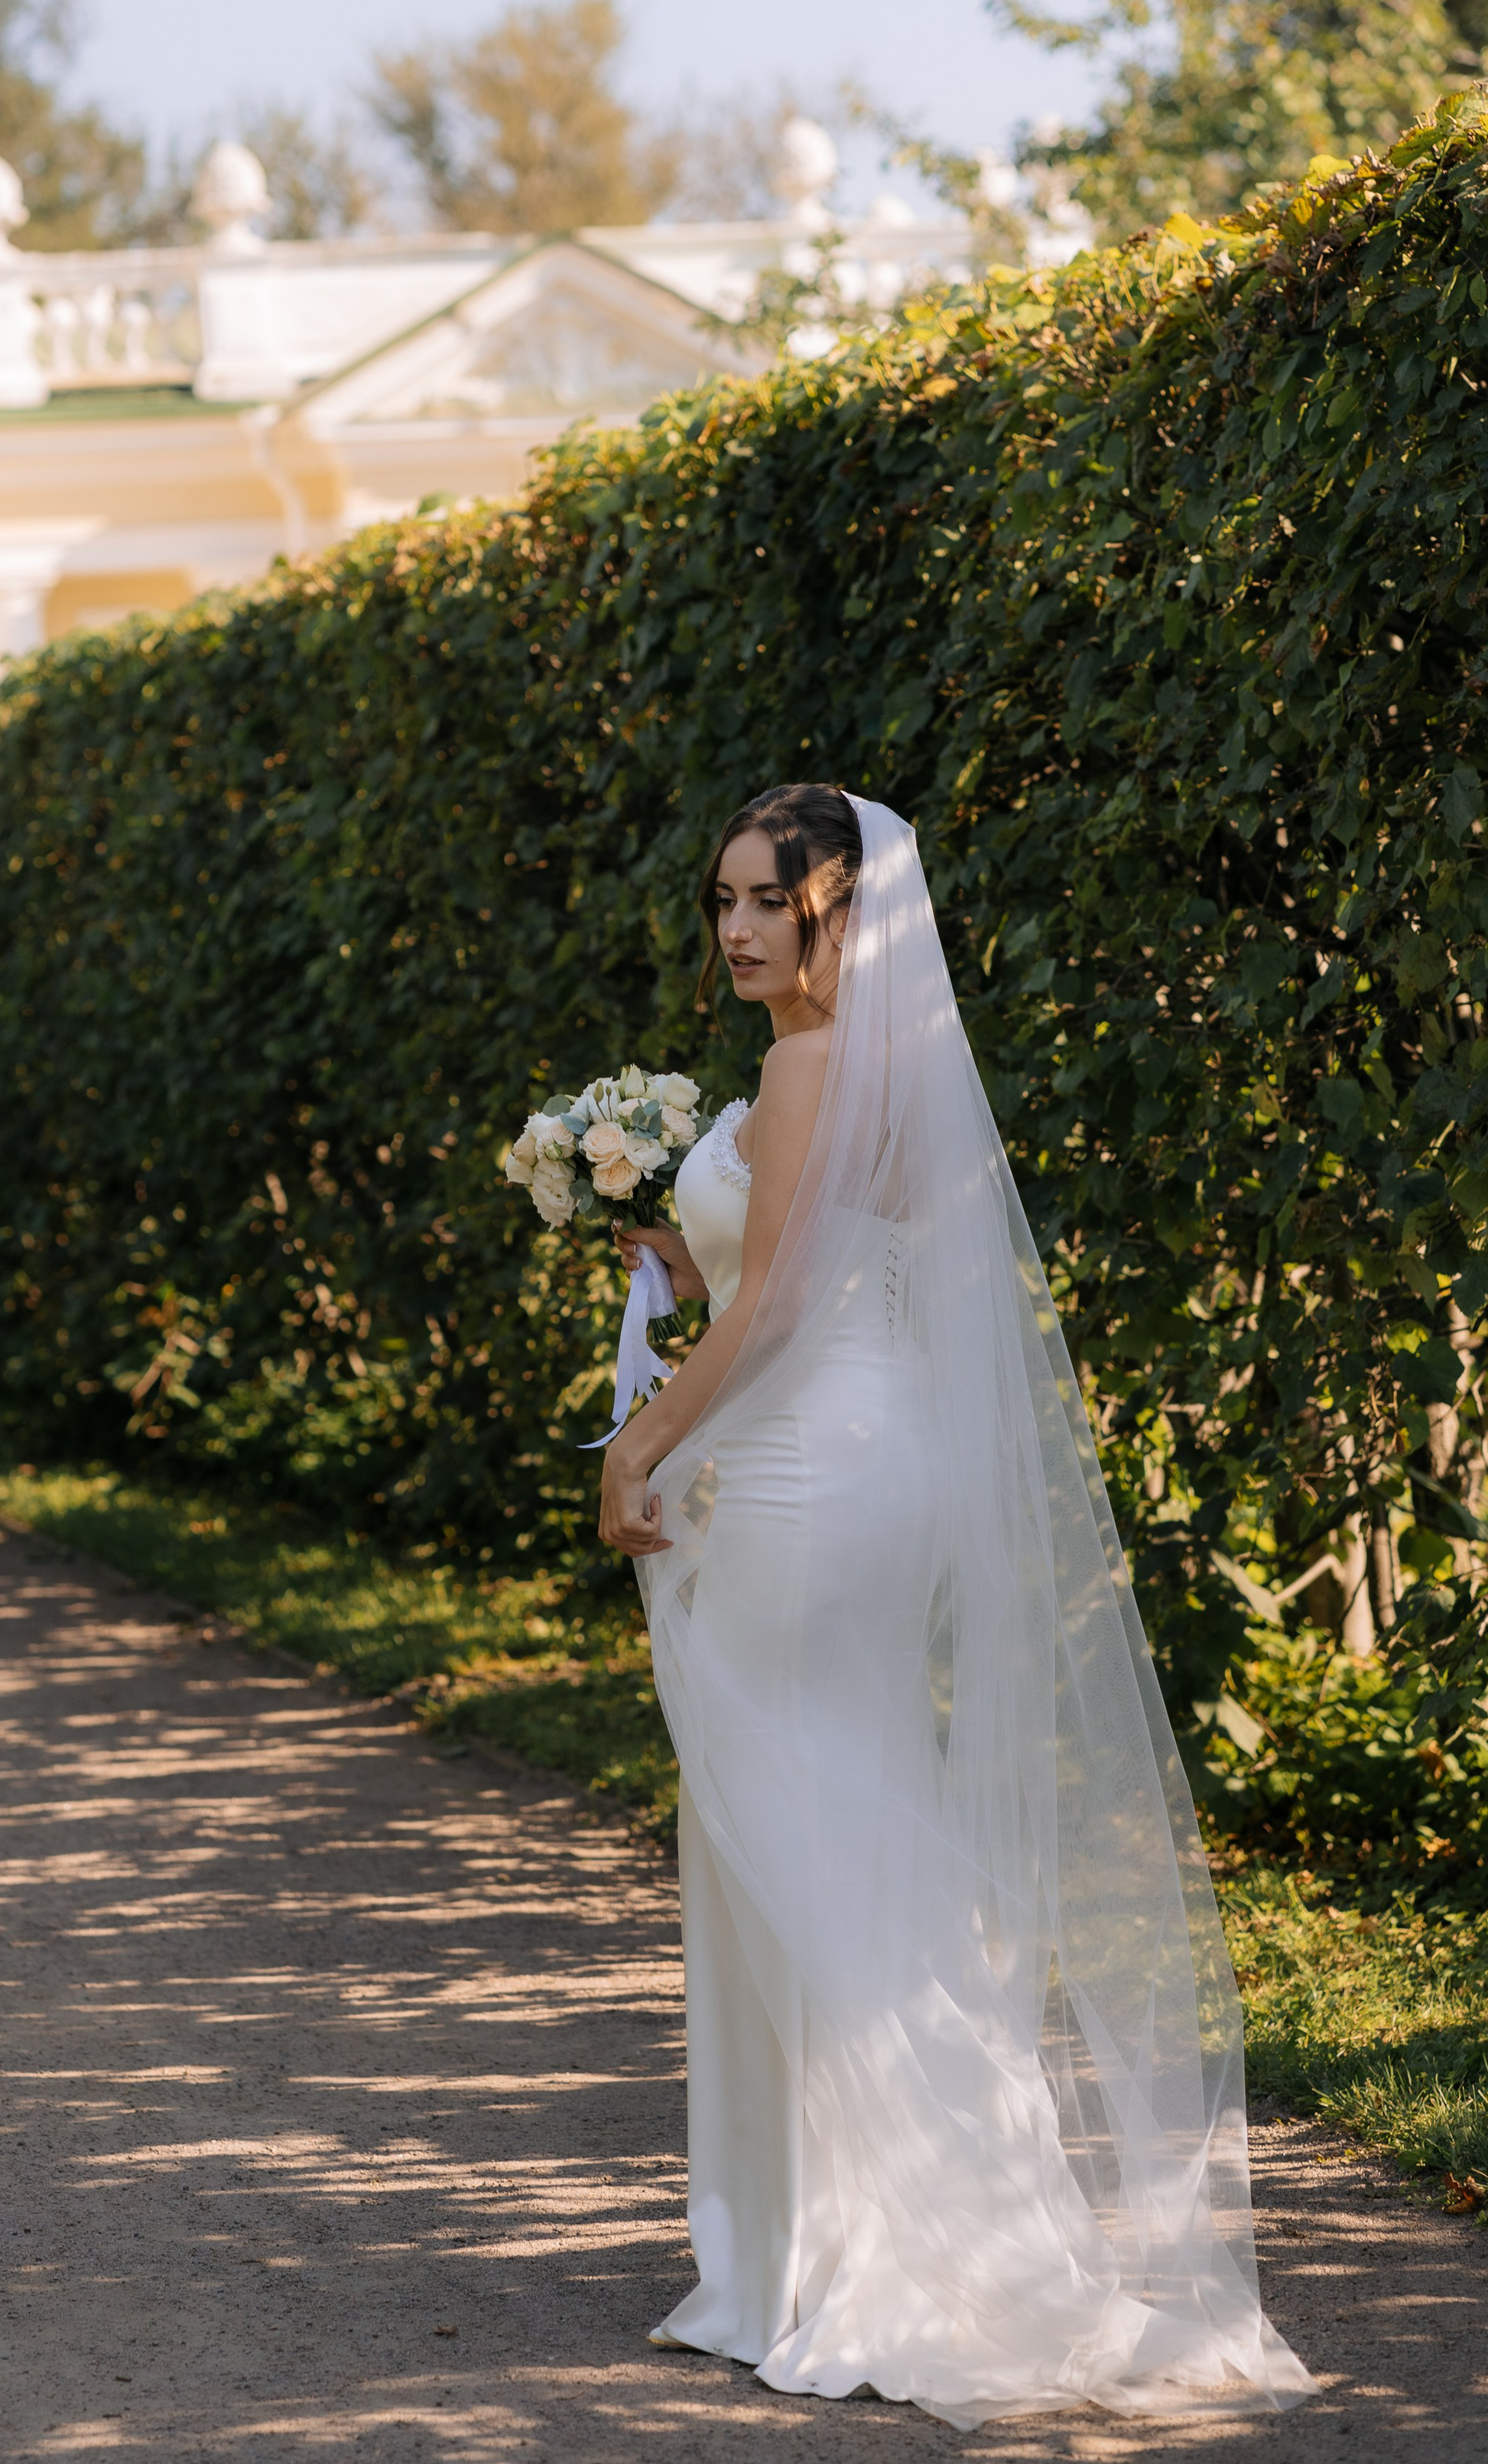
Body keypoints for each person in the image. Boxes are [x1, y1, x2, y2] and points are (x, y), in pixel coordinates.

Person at [599, 785, 1314, 2429]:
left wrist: (636, 1439)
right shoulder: (894, 1074)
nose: (731, 931)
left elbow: (773, 1310)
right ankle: (815, 2241)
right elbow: (807, 1272)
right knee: (847, 1828)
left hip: (791, 1478)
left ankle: (874, 2249)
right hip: (879, 1466)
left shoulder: (797, 1064)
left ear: (839, 906)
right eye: (721, 900)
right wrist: (674, 1256)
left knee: (794, 1841)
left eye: (765, 904)